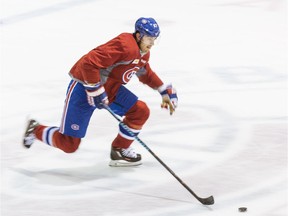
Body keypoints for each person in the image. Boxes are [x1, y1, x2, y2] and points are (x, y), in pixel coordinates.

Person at [23, 17, 178, 167]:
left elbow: (143, 71)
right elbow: (88, 63)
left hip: (110, 90)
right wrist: (95, 89)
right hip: (83, 90)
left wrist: (162, 88)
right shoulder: (125, 46)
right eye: (149, 39)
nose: (152, 44)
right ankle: (35, 129)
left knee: (140, 111)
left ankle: (120, 149)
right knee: (69, 144)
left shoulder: (143, 52)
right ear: (138, 36)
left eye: (154, 39)